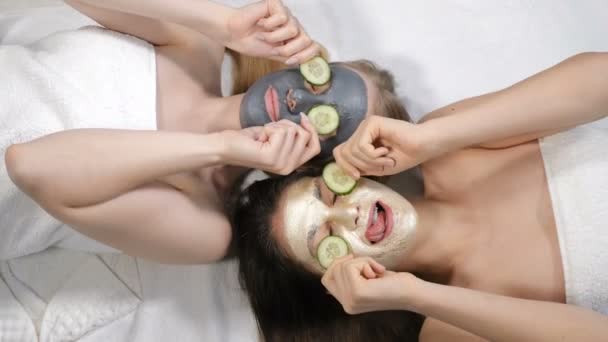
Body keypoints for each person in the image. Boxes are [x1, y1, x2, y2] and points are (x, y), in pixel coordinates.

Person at [231, 52, 608, 341]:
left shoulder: (446, 147)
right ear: (335, 284)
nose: (351, 216)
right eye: (326, 241)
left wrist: (432, 137)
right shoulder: (443, 323)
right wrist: (414, 296)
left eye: (328, 195)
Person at [2, 0, 408, 263]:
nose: (295, 101)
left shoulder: (208, 227)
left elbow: (30, 164)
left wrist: (217, 147)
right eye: (320, 82)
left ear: (312, 169)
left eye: (327, 123)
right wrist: (224, 23)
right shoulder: (196, 45)